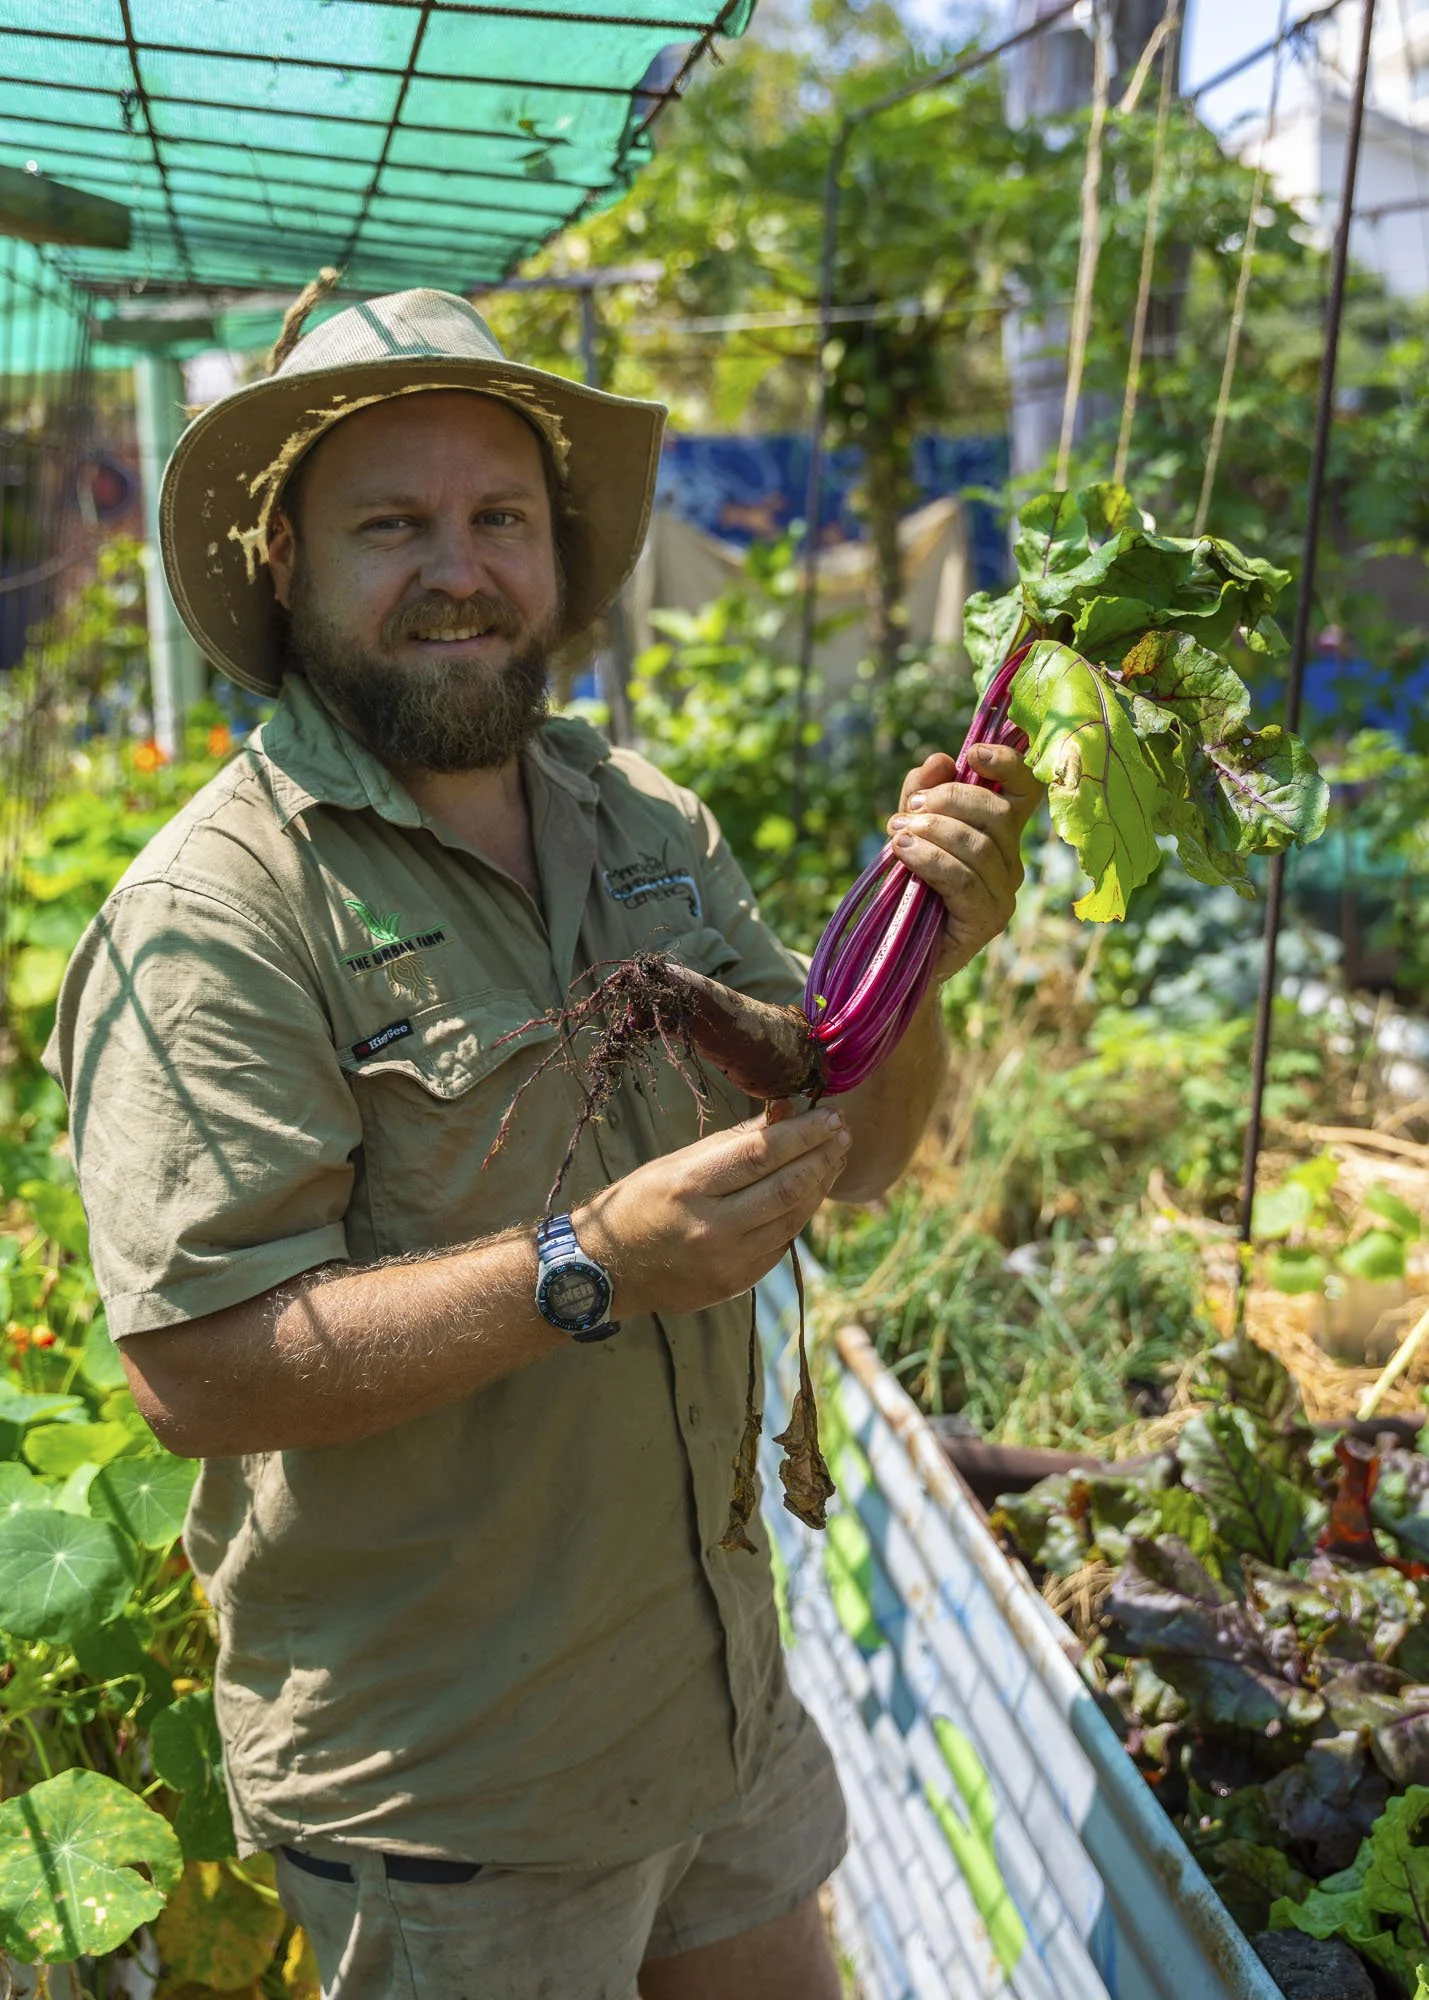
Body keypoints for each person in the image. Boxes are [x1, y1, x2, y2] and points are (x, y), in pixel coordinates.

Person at [47, 289, 1042, 2000]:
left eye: (498, 517)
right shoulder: (215, 916)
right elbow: (199, 1369)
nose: (460, 567)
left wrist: (927, 955)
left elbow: (855, 1150)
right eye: (393, 524)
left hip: (710, 1697)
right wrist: (590, 1267)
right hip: (458, 1799)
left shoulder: (642, 822)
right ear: (284, 559)